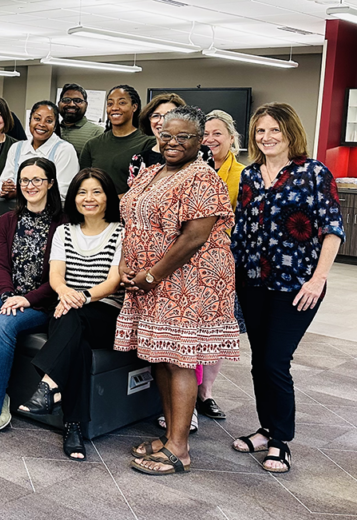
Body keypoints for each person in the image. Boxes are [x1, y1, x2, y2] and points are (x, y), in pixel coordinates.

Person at [117, 106, 240, 475]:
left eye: (183, 137)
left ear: (200, 140)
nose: (172, 142)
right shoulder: (152, 172)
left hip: (190, 281)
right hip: (150, 280)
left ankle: (180, 449)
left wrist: (151, 275)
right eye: (166, 135)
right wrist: (126, 264)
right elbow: (133, 221)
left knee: (180, 359)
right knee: (159, 356)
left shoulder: (202, 177)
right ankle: (172, 434)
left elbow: (193, 238)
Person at [230, 103, 345, 474]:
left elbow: (332, 230)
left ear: (290, 132)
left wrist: (319, 278)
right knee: (259, 360)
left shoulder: (313, 173)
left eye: (274, 130)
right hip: (252, 282)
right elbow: (240, 233)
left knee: (276, 361)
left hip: (297, 286)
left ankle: (281, 441)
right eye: (260, 131)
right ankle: (266, 428)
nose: (266, 138)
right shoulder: (249, 176)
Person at [16, 168, 124, 461]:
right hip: (67, 307)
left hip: (104, 312)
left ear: (108, 197)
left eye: (96, 192)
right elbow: (56, 275)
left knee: (74, 321)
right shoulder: (64, 230)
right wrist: (66, 294)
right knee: (79, 346)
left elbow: (113, 281)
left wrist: (83, 296)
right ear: (73, 197)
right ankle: (73, 427)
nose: (89, 198)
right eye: (82, 192)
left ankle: (49, 385)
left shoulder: (120, 231)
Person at [0, 157, 64, 438]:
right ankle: (0, 396)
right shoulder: (8, 220)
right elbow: (0, 265)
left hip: (41, 301)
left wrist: (26, 299)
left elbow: (60, 278)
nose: (30, 185)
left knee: (4, 324)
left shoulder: (64, 222)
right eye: (24, 180)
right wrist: (8, 293)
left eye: (37, 180)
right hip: (6, 291)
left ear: (51, 183)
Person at [195, 109, 245, 421]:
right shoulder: (189, 168)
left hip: (223, 259)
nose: (210, 139)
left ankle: (206, 393)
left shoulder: (242, 175)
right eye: (205, 134)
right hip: (188, 257)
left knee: (216, 329)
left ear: (230, 138)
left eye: (217, 134)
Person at [78, 85, 154, 194]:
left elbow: (149, 187)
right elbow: (83, 183)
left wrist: (113, 201)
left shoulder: (148, 143)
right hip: (97, 208)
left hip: (130, 208)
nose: (114, 108)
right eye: (110, 104)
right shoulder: (92, 145)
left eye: (122, 103)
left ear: (134, 107)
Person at [0, 100, 79, 201]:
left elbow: (64, 192)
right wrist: (6, 188)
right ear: (29, 121)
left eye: (49, 121)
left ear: (55, 126)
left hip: (49, 213)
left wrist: (20, 192)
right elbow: (0, 185)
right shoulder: (16, 148)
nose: (42, 124)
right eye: (37, 118)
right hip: (15, 211)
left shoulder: (64, 150)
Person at [57, 83, 103, 156]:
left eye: (78, 100)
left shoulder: (97, 133)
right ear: (59, 103)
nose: (71, 104)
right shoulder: (51, 129)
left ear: (86, 105)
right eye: (66, 100)